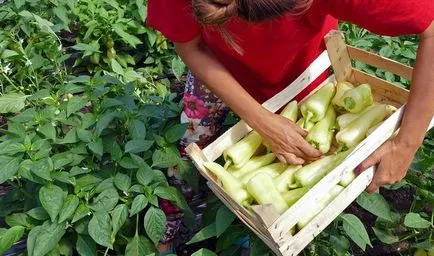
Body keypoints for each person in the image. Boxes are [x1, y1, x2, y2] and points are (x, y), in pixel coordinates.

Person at [147, 0, 434, 254]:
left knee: (287, 167)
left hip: (303, 75)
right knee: (190, 153)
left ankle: (242, 231)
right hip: (216, 70)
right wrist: (261, 121)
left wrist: (406, 143)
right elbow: (189, 45)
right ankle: (170, 228)